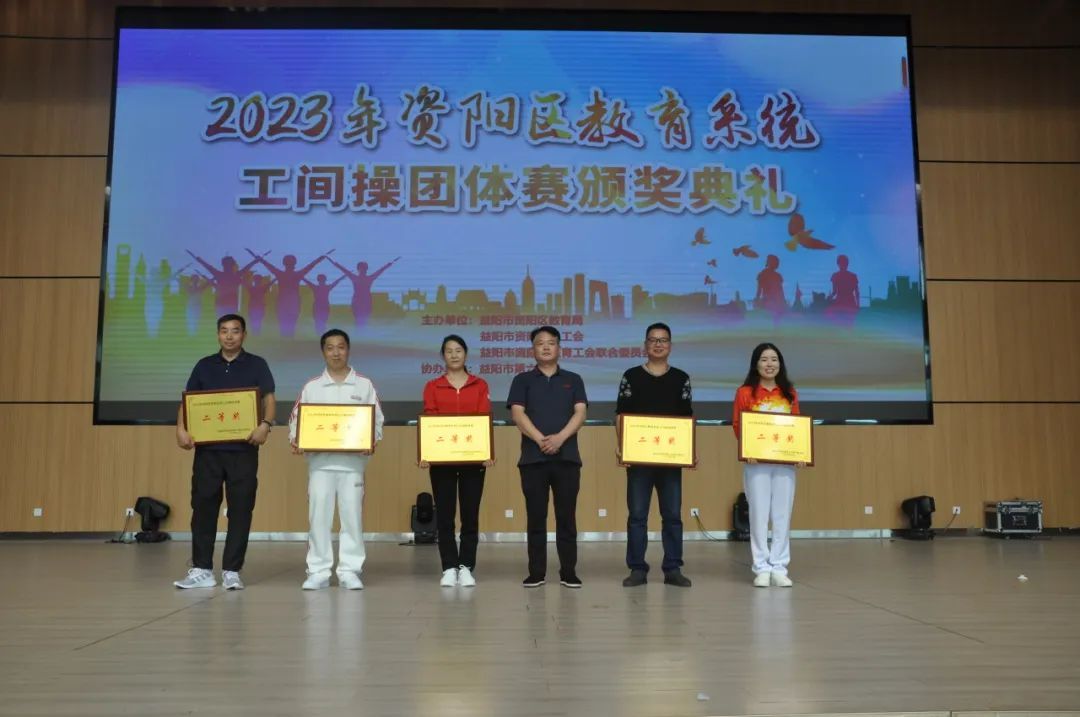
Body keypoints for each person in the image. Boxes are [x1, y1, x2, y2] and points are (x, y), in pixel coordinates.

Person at [173, 314, 276, 590]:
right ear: (218, 334)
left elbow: (268, 398)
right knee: (203, 507)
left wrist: (266, 425)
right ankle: (202, 569)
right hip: (208, 451)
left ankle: (232, 570)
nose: (229, 336)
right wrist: (180, 428)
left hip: (244, 449)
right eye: (224, 331)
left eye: (235, 331)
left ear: (244, 335)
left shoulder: (257, 364)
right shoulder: (204, 365)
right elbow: (188, 400)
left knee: (241, 509)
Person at [288, 329, 384, 590]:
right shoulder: (312, 387)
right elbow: (296, 420)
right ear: (323, 352)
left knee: (352, 518)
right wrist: (297, 440)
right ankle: (318, 571)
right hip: (320, 465)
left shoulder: (364, 385)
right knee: (318, 518)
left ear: (348, 350)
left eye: (341, 347)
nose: (336, 353)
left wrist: (371, 441)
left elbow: (377, 420)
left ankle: (349, 570)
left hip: (353, 466)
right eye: (330, 348)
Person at [507, 326, 587, 588]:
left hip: (567, 459)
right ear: (533, 349)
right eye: (540, 343)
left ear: (559, 348)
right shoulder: (522, 380)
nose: (545, 347)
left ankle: (568, 572)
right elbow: (518, 414)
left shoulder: (574, 379)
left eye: (551, 343)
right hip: (533, 460)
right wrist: (542, 440)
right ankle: (536, 572)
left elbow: (580, 413)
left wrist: (560, 438)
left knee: (567, 518)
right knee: (535, 518)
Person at [615, 322, 693, 588]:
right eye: (653, 340)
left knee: (672, 515)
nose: (658, 344)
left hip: (671, 459)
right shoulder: (631, 376)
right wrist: (622, 446)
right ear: (645, 345)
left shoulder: (681, 378)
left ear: (670, 345)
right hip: (639, 458)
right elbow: (621, 415)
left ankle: (673, 568)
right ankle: (637, 568)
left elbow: (687, 418)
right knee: (637, 515)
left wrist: (690, 451)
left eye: (663, 340)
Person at [420, 335, 492, 588]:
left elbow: (483, 418)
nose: (454, 355)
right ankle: (449, 566)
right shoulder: (433, 386)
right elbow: (430, 420)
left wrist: (486, 451)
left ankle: (466, 566)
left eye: (458, 350)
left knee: (470, 515)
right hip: (443, 461)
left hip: (473, 460)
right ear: (443, 356)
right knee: (445, 516)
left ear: (465, 354)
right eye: (449, 351)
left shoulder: (479, 384)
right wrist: (426, 453)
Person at [732, 342, 801, 588]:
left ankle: (779, 567)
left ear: (780, 364)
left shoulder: (789, 393)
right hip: (757, 463)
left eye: (774, 359)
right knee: (758, 515)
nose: (769, 364)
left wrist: (799, 452)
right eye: (764, 359)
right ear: (756, 364)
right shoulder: (745, 392)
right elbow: (738, 425)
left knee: (782, 515)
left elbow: (797, 426)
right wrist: (747, 449)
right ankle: (761, 567)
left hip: (784, 463)